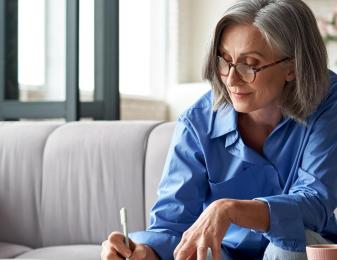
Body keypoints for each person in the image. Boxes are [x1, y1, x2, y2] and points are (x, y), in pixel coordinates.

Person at [101, 0, 337, 259]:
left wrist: (230, 209)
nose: (231, 79)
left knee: (289, 247)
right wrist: (141, 251)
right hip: (222, 253)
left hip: (300, 249)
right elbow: (171, 225)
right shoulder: (197, 123)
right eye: (224, 61)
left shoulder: (328, 103)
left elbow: (314, 202)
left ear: (291, 67)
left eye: (250, 64)